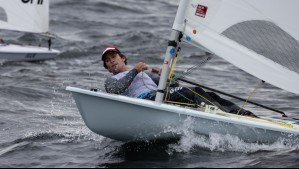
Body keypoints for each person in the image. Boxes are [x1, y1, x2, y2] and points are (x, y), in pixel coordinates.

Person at [101, 46, 257, 117]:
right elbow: (116, 90)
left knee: (204, 92)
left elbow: (172, 86)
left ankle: (240, 113)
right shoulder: (111, 80)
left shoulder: (145, 75)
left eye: (113, 57)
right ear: (108, 68)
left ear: (123, 58)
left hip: (158, 96)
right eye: (108, 61)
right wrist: (135, 70)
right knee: (193, 92)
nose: (111, 61)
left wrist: (167, 78)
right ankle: (225, 116)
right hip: (146, 102)